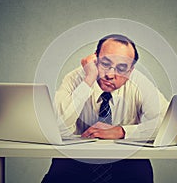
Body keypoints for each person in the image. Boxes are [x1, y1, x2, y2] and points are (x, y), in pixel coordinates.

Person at [42, 34, 168, 183]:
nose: (110, 75)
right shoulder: (75, 78)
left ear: (130, 70)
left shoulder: (140, 83)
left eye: (121, 68)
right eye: (105, 64)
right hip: (75, 160)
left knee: (139, 167)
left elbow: (169, 124)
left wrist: (122, 131)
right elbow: (57, 127)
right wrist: (88, 80)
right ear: (95, 59)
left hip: (126, 161)